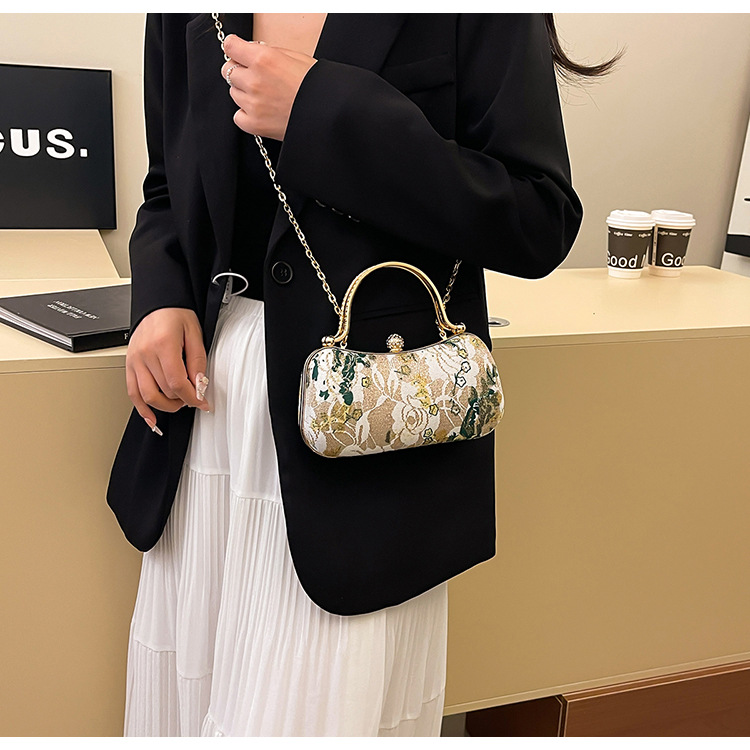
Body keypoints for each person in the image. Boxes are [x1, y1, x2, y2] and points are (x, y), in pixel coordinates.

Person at [107, 12, 620, 737]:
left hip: (365, 451)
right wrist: (161, 297)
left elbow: (537, 215)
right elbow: (166, 184)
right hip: (210, 427)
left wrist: (323, 110)